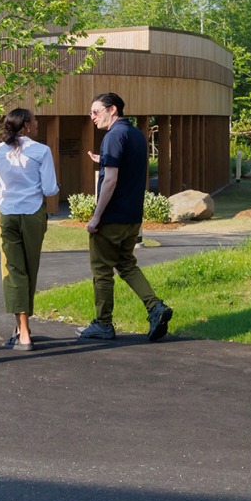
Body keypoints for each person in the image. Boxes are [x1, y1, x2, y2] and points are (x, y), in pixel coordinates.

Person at [80, 92, 173, 342]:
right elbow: (126, 166)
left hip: (112, 217)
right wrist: (104, 160)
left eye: (96, 112)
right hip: (133, 216)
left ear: (112, 110)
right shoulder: (135, 135)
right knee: (126, 264)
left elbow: (110, 179)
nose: (92, 117)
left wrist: (96, 217)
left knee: (101, 271)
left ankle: (103, 323)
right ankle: (155, 307)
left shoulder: (112, 136)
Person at [0, 108, 58, 350]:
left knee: (13, 271)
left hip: (8, 214)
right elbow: (50, 189)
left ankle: (21, 330)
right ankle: (24, 330)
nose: (37, 124)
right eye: (34, 121)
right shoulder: (41, 151)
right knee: (29, 268)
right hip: (33, 213)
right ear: (26, 125)